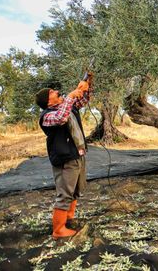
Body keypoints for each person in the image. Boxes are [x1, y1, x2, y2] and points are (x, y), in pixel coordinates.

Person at [35, 74, 92, 239]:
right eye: (52, 92)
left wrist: (86, 85)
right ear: (48, 101)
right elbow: (61, 118)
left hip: (77, 155)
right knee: (65, 194)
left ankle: (68, 219)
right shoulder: (46, 116)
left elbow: (82, 101)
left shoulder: (67, 106)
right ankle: (58, 230)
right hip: (65, 160)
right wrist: (70, 96)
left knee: (76, 191)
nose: (57, 91)